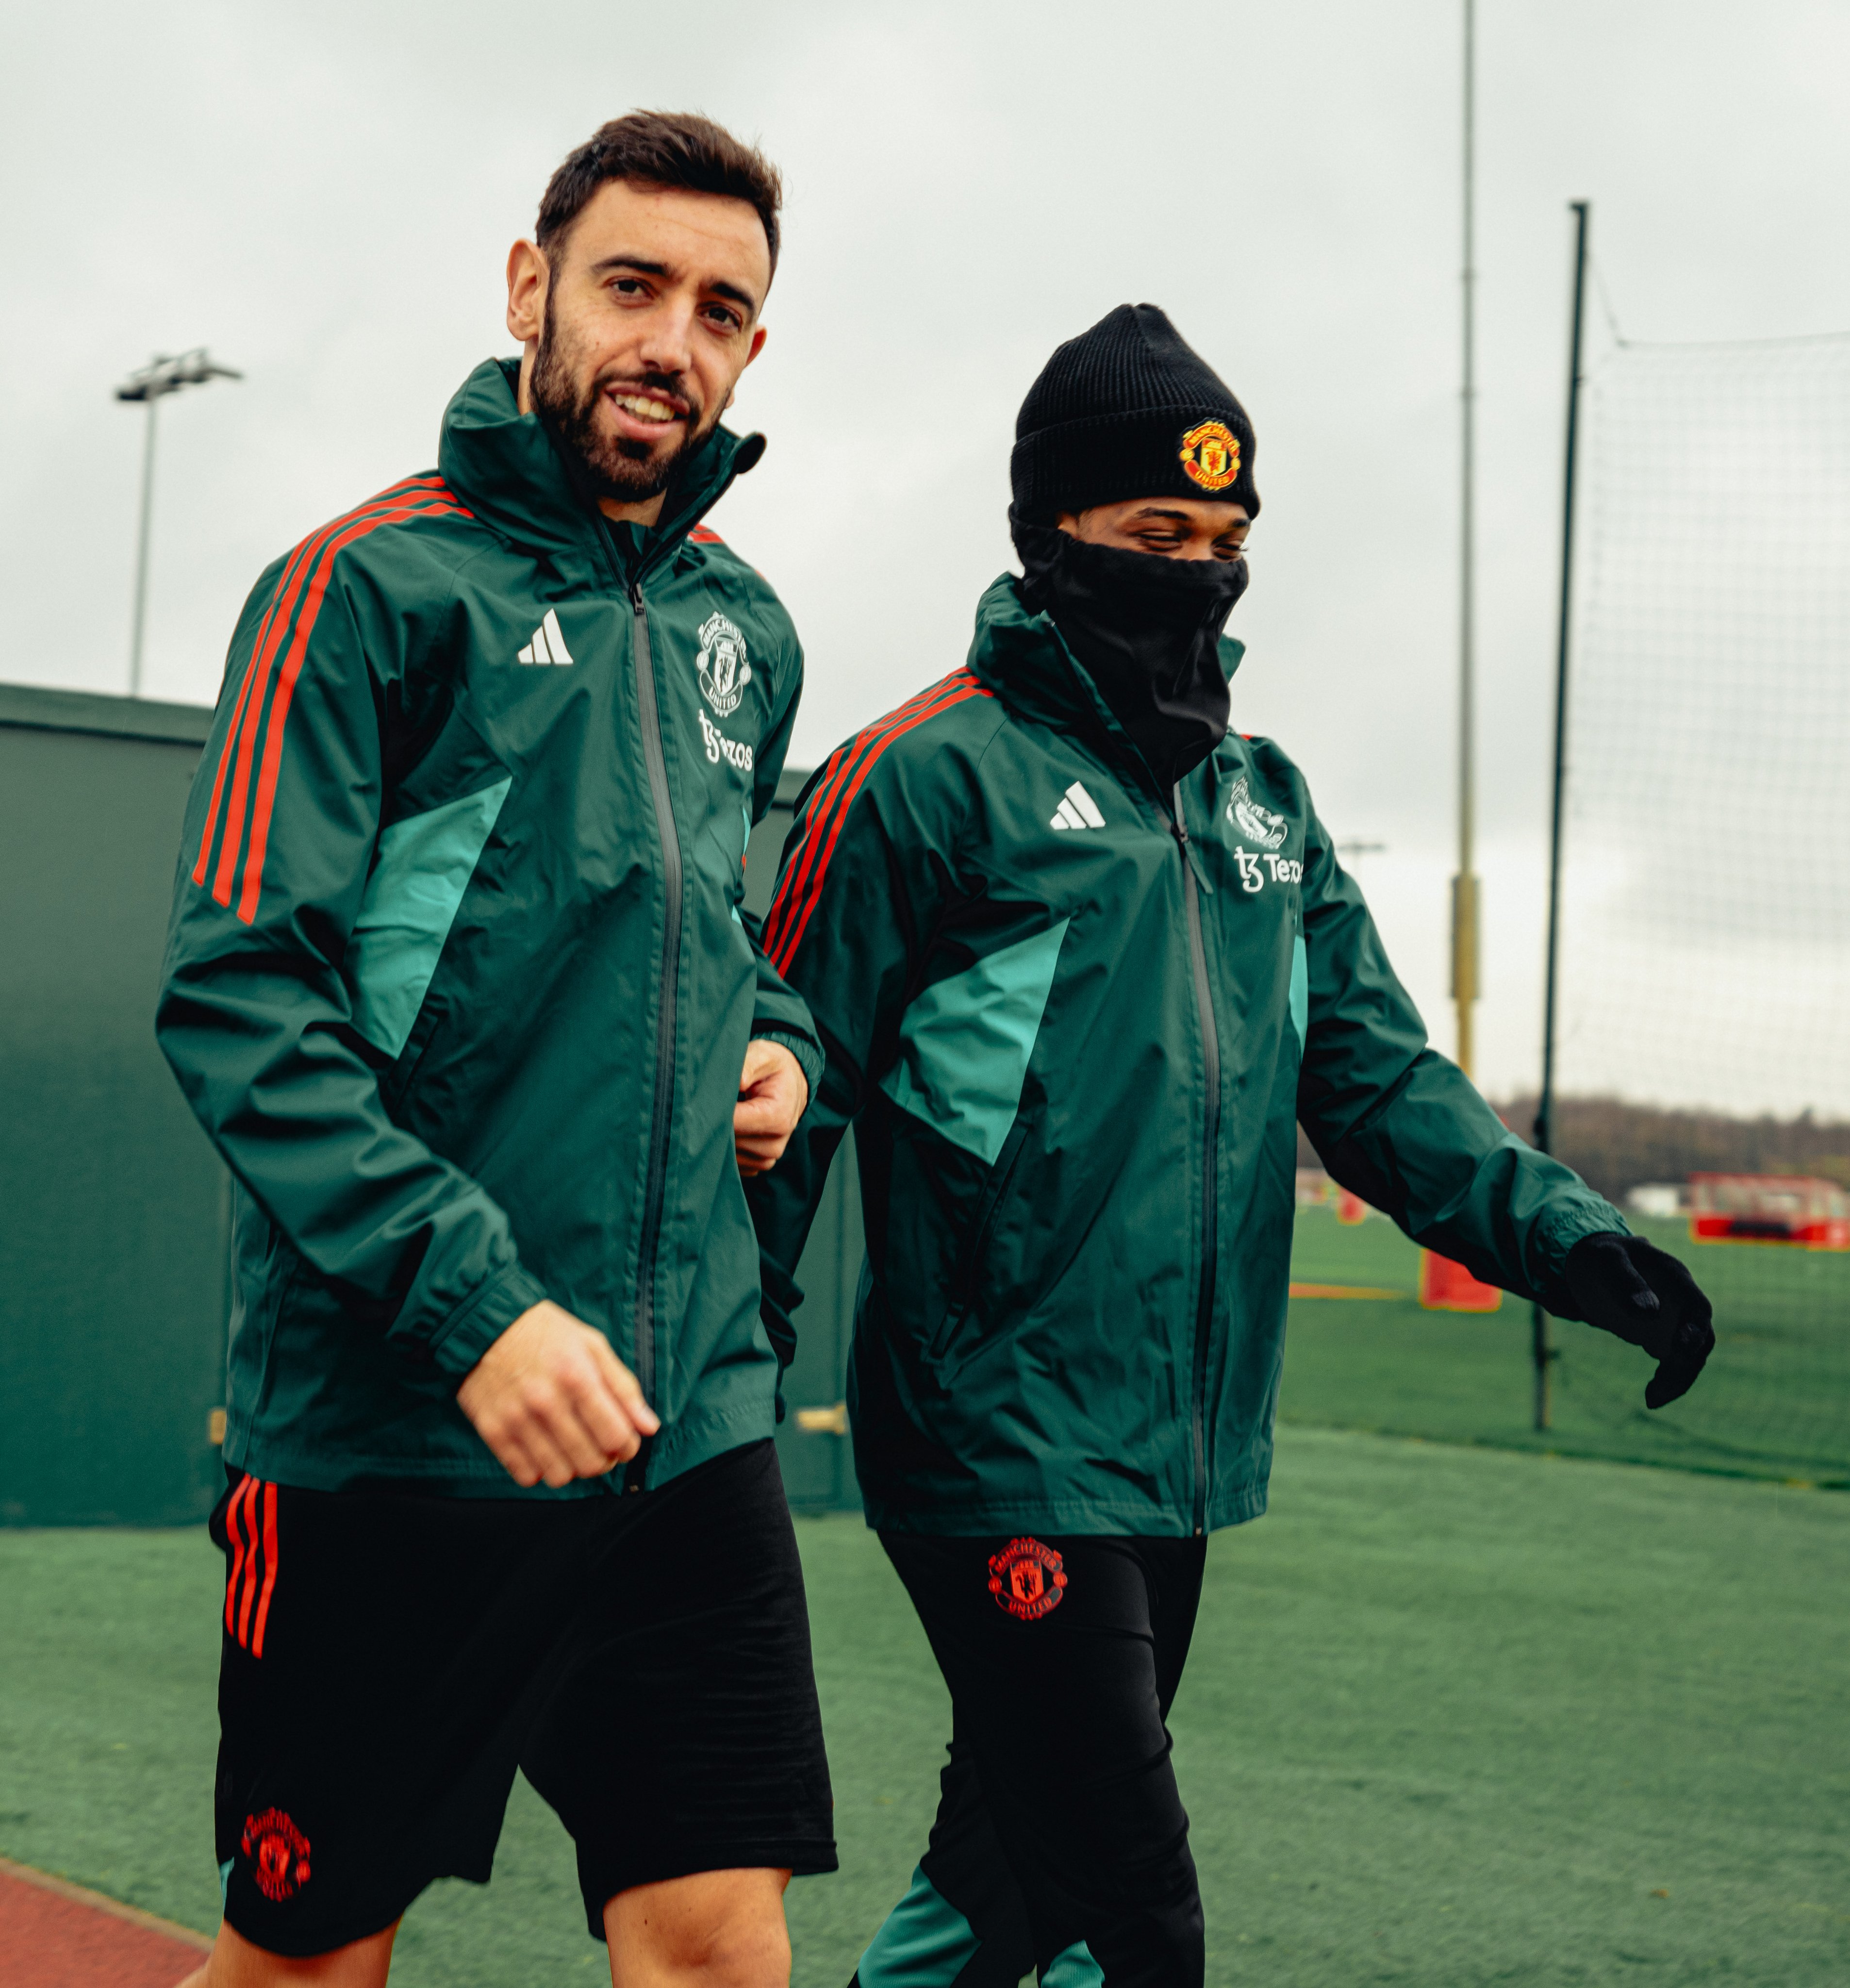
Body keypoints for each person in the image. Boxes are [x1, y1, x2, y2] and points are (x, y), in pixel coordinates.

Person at [746, 304, 1716, 1988]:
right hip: (996, 1444)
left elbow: (1373, 1078)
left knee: (1003, 1892)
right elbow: (781, 1097)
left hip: (1181, 1450)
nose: (1198, 574)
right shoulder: (918, 780)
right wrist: (716, 1386)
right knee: (1137, 1926)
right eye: (1153, 538)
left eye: (1224, 542)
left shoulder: (1261, 802)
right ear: (1049, 536)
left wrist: (1570, 1243)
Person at [157, 112, 836, 1988]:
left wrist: (774, 1050)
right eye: (632, 286)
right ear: (532, 288)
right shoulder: (360, 591)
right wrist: (478, 1308)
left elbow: (712, 939)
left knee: (715, 1942)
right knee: (310, 1956)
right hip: (403, 1422)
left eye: (721, 309)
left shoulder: (743, 633)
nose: (670, 342)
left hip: (681, 1420)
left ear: (751, 352)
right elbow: (244, 997)